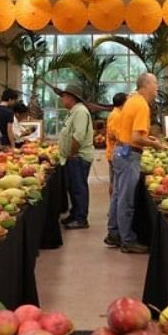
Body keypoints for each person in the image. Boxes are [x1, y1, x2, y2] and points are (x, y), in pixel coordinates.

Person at [106, 73, 166, 254]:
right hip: (129, 155)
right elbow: (136, 137)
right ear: (146, 85)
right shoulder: (141, 105)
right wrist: (154, 144)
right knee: (126, 199)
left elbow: (132, 132)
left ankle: (114, 233)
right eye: (155, 83)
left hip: (120, 151)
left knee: (118, 195)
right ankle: (128, 240)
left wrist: (147, 137)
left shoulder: (132, 100)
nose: (157, 87)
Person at [57, 84, 94, 230]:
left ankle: (81, 219)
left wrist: (72, 154)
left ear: (71, 97)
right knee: (73, 188)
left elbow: (77, 137)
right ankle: (75, 213)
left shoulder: (80, 112)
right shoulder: (74, 111)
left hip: (78, 157)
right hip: (74, 157)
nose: (62, 100)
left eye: (64, 97)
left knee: (78, 188)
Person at [106, 92, 127, 196]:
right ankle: (114, 209)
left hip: (115, 152)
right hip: (116, 153)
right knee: (115, 183)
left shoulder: (118, 114)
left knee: (115, 181)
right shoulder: (116, 116)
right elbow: (115, 135)